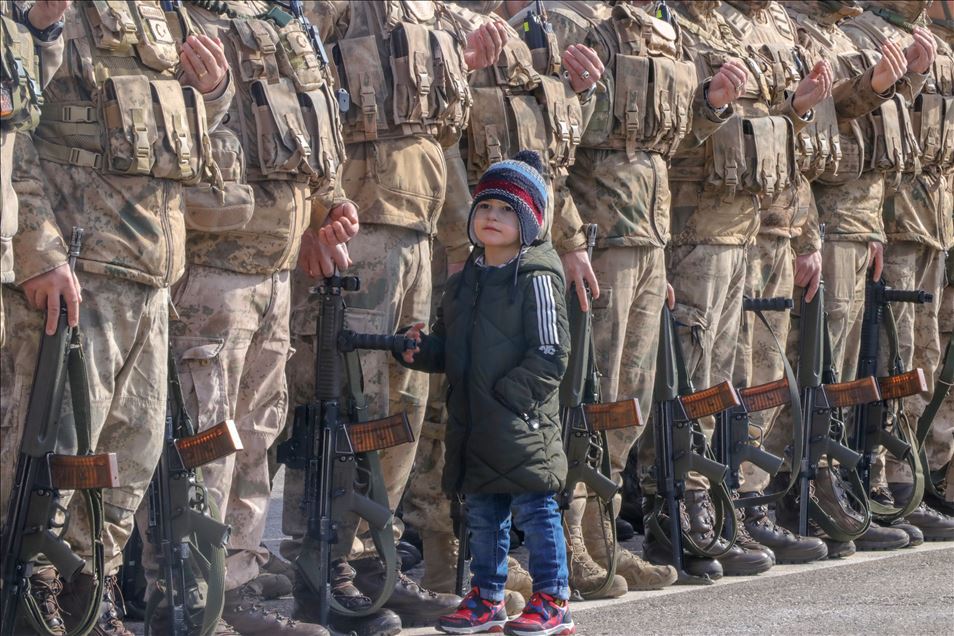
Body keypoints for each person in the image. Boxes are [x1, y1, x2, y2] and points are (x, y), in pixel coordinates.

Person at [1, 1, 234, 633]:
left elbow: (185, 130)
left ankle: (93, 600)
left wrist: (215, 92)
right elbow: (10, 131)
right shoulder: (47, 11)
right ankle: (34, 601)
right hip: (76, 276)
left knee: (126, 463)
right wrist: (38, 249)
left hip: (154, 275)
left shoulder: (165, 12)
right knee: (53, 458)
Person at [398, 151, 573, 636]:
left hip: (521, 422)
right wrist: (423, 351)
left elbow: (551, 354)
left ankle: (553, 598)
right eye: (484, 208)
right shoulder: (465, 281)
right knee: (482, 514)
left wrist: (508, 400)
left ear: (529, 221)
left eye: (505, 210)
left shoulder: (537, 277)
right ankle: (487, 597)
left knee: (536, 511)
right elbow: (452, 346)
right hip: (474, 423)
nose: (492, 217)